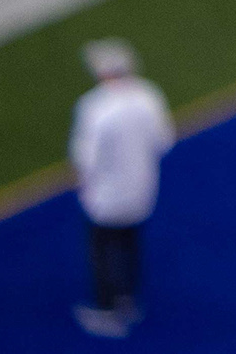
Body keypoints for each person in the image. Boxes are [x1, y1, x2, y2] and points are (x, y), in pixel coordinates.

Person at [69, 39, 168, 340]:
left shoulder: (94, 107)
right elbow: (163, 140)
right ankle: (127, 298)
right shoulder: (149, 96)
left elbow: (85, 158)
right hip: (142, 190)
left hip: (105, 198)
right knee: (130, 244)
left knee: (102, 252)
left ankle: (106, 309)